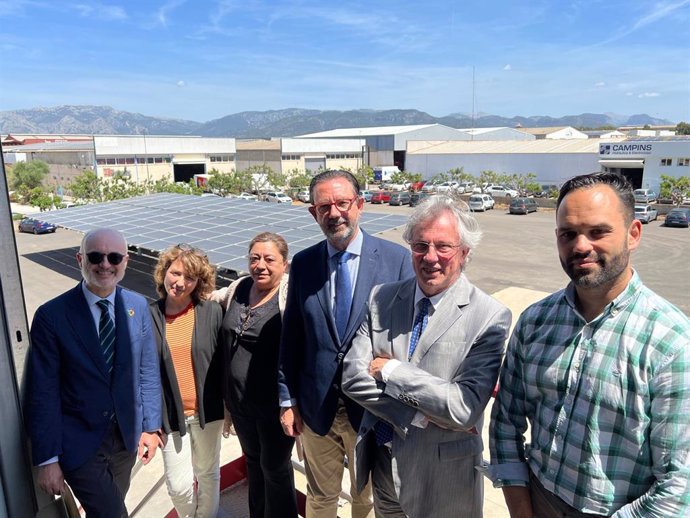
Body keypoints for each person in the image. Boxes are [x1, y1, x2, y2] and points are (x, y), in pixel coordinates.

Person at [489, 172, 690, 517]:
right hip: (538, 498)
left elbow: (679, 486)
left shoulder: (671, 342)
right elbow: (505, 424)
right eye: (569, 234)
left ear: (633, 234)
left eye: (598, 232)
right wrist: (522, 510)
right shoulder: (535, 321)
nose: (581, 246)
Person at [342, 195, 511, 517]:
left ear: (464, 253)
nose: (430, 257)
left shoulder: (489, 316)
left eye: (443, 246)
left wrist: (391, 370)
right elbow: (352, 378)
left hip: (443, 479)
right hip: (382, 465)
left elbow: (462, 409)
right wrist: (417, 415)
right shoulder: (383, 298)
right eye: (420, 246)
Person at [278, 169, 414, 518]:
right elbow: (291, 336)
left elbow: (412, 336)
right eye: (325, 206)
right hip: (314, 410)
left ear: (360, 205)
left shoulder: (396, 260)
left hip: (370, 409)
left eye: (343, 203)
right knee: (320, 496)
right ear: (313, 213)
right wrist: (287, 400)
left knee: (365, 498)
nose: (335, 213)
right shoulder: (305, 264)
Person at [25, 228, 162, 518]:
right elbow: (42, 392)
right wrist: (47, 459)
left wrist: (150, 427)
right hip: (79, 443)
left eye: (114, 257)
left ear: (125, 261)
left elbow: (147, 371)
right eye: (96, 256)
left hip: (126, 440)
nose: (105, 264)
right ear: (80, 259)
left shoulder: (137, 306)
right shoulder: (52, 316)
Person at [210, 232, 297, 518]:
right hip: (240, 405)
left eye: (269, 259)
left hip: (275, 408)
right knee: (254, 463)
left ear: (284, 264)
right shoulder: (239, 287)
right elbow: (207, 299)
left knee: (275, 468)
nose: (260, 265)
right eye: (254, 258)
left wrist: (293, 402)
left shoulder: (290, 295)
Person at [149, 244, 224, 518]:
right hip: (170, 417)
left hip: (208, 413)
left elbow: (224, 363)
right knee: (179, 486)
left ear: (198, 283)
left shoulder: (211, 312)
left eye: (189, 278)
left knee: (207, 474)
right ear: (164, 272)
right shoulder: (149, 315)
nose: (180, 283)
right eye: (175, 273)